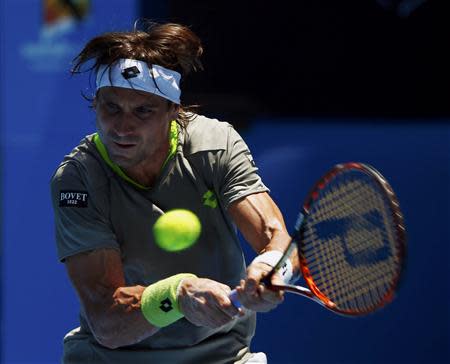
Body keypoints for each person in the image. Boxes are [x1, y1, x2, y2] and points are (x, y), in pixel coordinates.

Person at [50, 21, 299, 364]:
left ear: (172, 111)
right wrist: (178, 295)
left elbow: (277, 239)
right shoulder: (79, 178)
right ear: (96, 105)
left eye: (143, 111)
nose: (123, 127)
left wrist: (271, 271)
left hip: (222, 356)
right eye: (111, 107)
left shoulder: (215, 145)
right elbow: (107, 322)